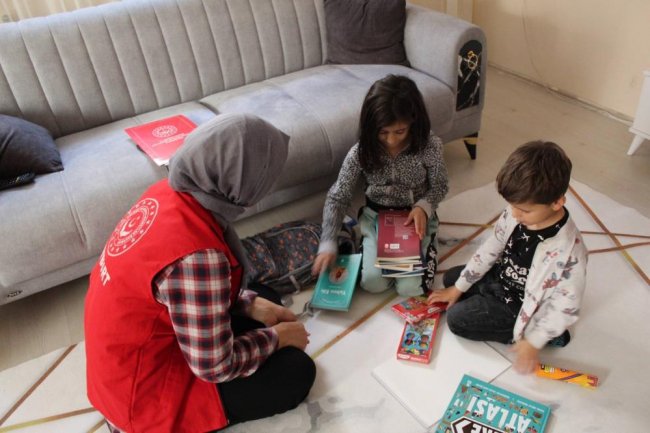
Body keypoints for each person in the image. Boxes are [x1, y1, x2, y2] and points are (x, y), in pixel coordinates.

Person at [85, 113, 316, 433]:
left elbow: (183, 294)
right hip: (141, 400)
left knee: (265, 297)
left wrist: (250, 304)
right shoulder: (198, 258)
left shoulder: (167, 191)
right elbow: (215, 366)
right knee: (296, 371)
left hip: (127, 362)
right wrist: (277, 340)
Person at [427, 140, 588, 374]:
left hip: (525, 307)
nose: (514, 214)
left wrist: (533, 341)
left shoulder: (569, 251)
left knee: (456, 319)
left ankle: (550, 336)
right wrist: (460, 287)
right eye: (512, 206)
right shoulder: (516, 214)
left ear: (557, 202)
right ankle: (483, 297)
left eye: (524, 210)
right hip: (501, 279)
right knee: (452, 279)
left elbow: (567, 304)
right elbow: (492, 247)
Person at [312, 74, 449, 296]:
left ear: (414, 121)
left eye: (400, 131)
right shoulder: (361, 152)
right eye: (383, 132)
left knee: (412, 289)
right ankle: (365, 242)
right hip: (376, 218)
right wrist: (328, 242)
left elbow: (441, 186)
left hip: (414, 220)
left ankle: (428, 243)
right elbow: (338, 196)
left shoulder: (429, 146)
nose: (392, 140)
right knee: (371, 284)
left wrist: (424, 207)